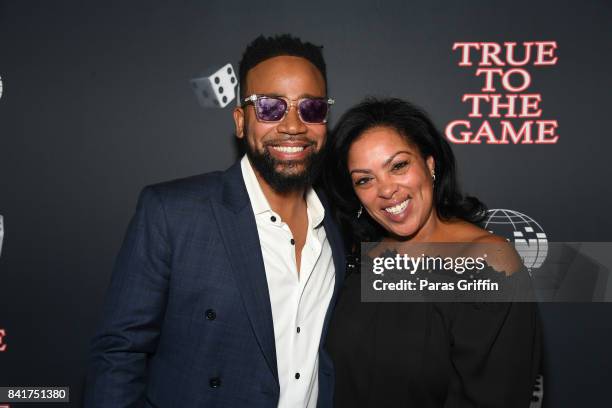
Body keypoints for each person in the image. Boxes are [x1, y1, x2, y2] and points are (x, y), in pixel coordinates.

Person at [85, 34, 345, 408]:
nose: (293, 125)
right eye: (271, 107)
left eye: (311, 108)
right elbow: (117, 355)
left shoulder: (336, 228)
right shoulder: (173, 213)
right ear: (241, 121)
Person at [323, 98, 541, 407]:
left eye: (398, 165)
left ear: (430, 164)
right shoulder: (359, 258)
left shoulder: (489, 262)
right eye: (364, 180)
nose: (386, 190)